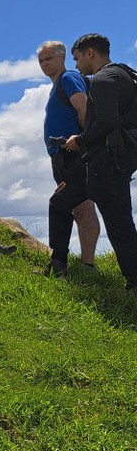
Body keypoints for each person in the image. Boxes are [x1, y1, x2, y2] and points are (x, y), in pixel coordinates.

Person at [63, 33, 137, 288]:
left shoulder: (103, 80)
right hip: (125, 155)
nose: (76, 65)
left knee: (118, 223)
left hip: (109, 159)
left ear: (90, 53)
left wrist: (80, 141)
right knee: (121, 219)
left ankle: (133, 280)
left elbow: (106, 122)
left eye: (76, 58)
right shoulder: (125, 74)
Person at [38, 40, 100, 271]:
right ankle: (85, 265)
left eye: (48, 59)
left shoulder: (68, 78)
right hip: (62, 155)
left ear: (61, 58)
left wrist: (85, 144)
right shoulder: (58, 85)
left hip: (73, 153)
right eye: (41, 60)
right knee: (81, 207)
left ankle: (66, 263)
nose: (44, 64)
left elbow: (83, 109)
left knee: (68, 204)